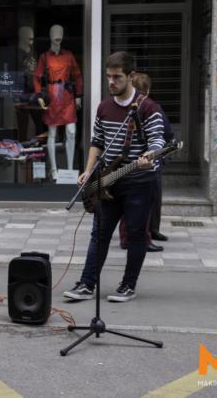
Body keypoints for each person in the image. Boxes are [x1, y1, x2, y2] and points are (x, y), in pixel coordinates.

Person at [64, 51, 165, 303]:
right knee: (99, 233)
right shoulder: (104, 107)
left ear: (131, 76)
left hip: (139, 182)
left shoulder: (148, 108)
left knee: (135, 234)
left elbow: (157, 142)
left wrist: (148, 157)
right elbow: (97, 141)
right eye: (108, 77)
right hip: (109, 180)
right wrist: (88, 170)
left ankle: (128, 285)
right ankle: (87, 284)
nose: (111, 82)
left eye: (117, 77)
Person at [119, 73, 174, 251]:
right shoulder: (151, 108)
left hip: (133, 162)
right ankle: (139, 237)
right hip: (145, 163)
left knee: (138, 202)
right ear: (147, 90)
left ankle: (146, 232)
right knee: (143, 202)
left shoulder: (126, 108)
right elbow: (166, 132)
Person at [34, 24, 83, 180]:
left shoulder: (68, 55)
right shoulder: (44, 57)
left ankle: (69, 169)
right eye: (55, 32)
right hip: (52, 95)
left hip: (67, 95)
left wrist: (78, 95)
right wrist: (38, 95)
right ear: (50, 35)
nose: (58, 35)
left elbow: (78, 75)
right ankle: (54, 170)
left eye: (60, 32)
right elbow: (37, 76)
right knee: (53, 133)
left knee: (71, 132)